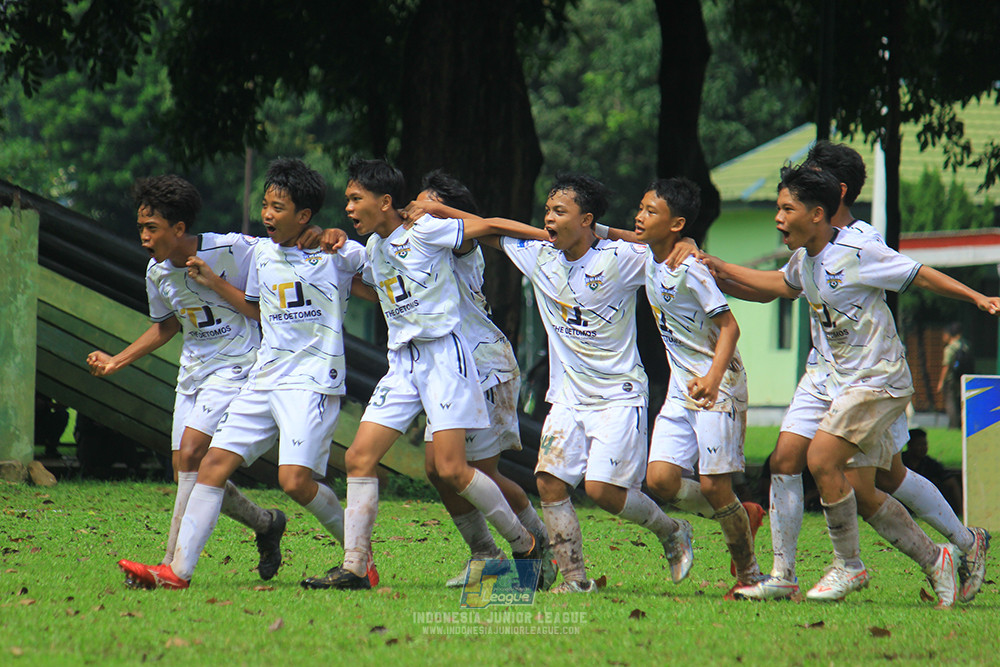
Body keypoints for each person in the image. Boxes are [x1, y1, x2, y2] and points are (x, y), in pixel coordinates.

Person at [707, 141, 990, 605]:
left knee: (860, 475)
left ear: (825, 200)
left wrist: (977, 297)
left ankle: (888, 558)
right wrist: (716, 268)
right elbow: (779, 285)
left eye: (792, 200)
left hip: (872, 376)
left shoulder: (861, 246)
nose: (781, 212)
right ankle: (786, 574)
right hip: (825, 376)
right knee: (791, 461)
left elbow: (918, 274)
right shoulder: (805, 254)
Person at [411, 173, 695, 594]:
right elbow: (491, 228)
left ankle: (671, 529)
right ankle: (574, 578)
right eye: (547, 210)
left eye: (560, 211)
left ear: (587, 221)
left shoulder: (620, 259)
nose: (548, 218)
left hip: (618, 395)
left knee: (603, 490)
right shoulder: (539, 256)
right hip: (566, 398)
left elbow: (663, 249)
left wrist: (686, 246)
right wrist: (441, 212)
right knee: (548, 481)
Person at [301, 158, 553, 591]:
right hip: (403, 363)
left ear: (384, 202)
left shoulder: (429, 232)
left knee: (458, 470)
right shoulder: (377, 249)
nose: (347, 207)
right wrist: (332, 240)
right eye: (346, 200)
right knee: (360, 457)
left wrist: (549, 238)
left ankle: (525, 543)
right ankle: (356, 567)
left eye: (354, 199)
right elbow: (376, 285)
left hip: (450, 359)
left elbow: (491, 226)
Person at [118, 158, 364, 589]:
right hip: (263, 377)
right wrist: (213, 283)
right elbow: (256, 311)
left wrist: (336, 235)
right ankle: (176, 571)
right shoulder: (263, 254)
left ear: (303, 216)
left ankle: (359, 558)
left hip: (310, 381)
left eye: (278, 207)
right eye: (265, 205)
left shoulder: (336, 253)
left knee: (295, 482)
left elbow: (375, 274)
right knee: (210, 464)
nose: (267, 214)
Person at [87, 175, 286, 584]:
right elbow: (164, 327)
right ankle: (266, 524)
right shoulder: (157, 272)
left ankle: (170, 565)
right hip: (193, 374)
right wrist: (116, 361)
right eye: (141, 227)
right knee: (185, 471)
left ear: (179, 229)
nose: (143, 237)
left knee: (193, 452)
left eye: (151, 228)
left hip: (238, 365)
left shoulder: (234, 249)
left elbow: (287, 248)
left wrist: (324, 234)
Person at [633, 177, 765, 598]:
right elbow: (608, 234)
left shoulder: (690, 269)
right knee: (661, 480)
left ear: (677, 224)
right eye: (640, 208)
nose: (639, 217)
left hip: (718, 384)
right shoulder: (647, 256)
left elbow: (730, 326)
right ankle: (742, 515)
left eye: (651, 212)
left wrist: (711, 378)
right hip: (680, 386)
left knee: (713, 485)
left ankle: (749, 575)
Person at [901, 428, 962, 513]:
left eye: (925, 444)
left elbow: (951, 482)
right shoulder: (901, 462)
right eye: (919, 444)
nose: (923, 448)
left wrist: (960, 510)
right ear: (909, 445)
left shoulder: (930, 464)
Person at [937, 322, 972, 429]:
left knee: (950, 402)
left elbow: (946, 366)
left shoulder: (950, 348)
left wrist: (941, 382)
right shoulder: (966, 345)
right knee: (961, 402)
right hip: (963, 378)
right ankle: (963, 424)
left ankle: (953, 425)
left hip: (952, 379)